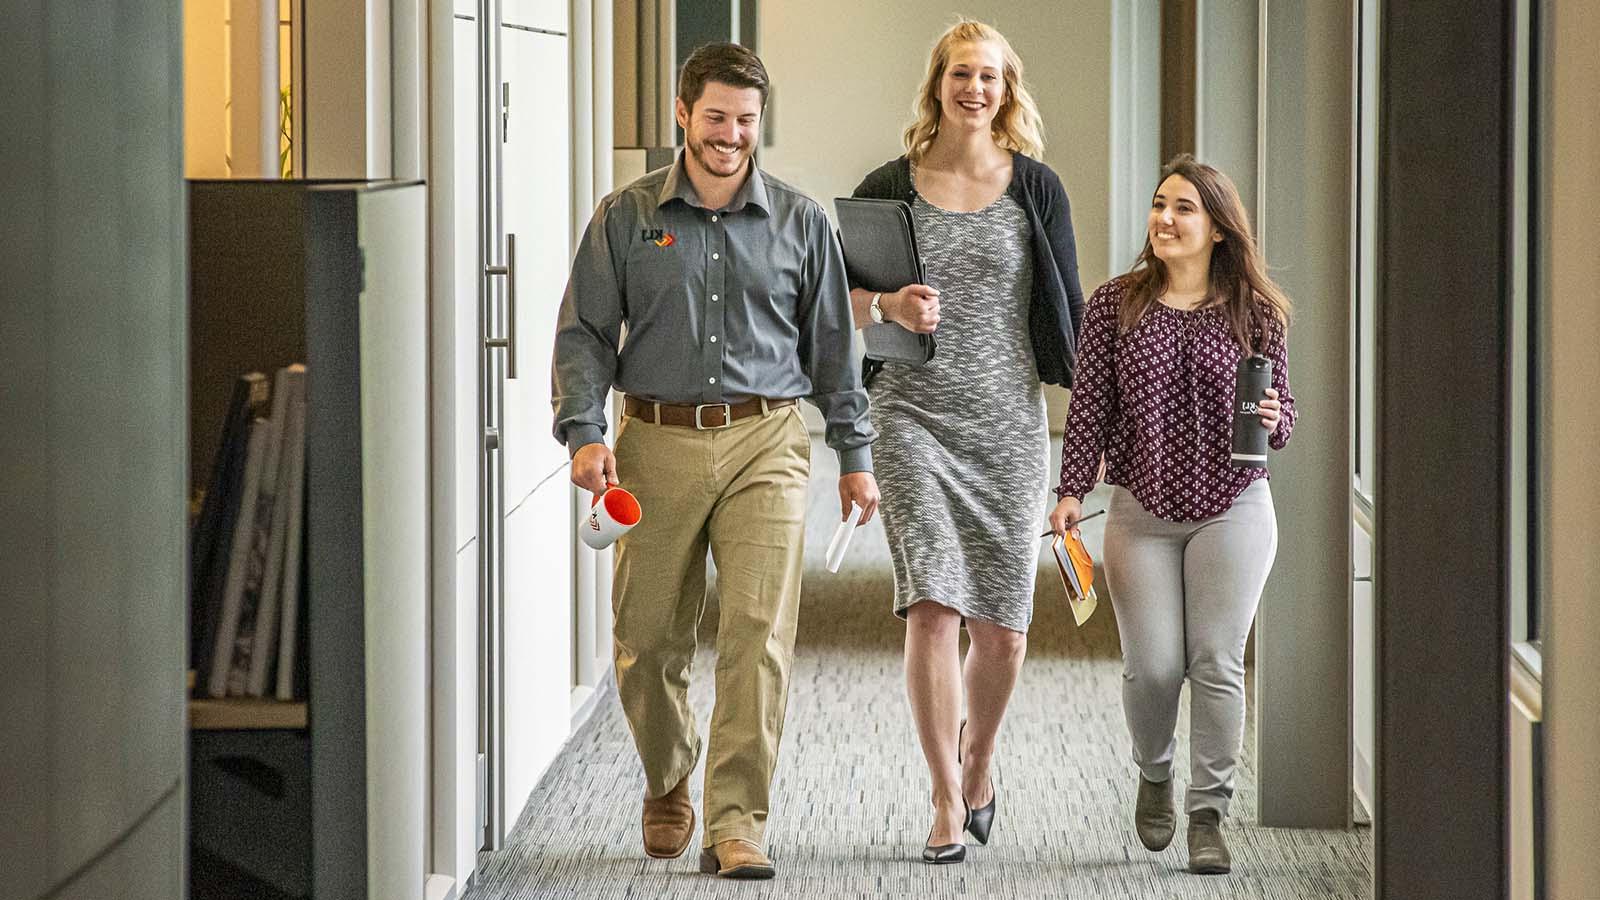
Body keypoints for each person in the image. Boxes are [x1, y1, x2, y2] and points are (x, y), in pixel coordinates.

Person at [551, 42, 881, 881]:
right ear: (682, 114)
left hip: (767, 440)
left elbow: (833, 349)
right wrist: (584, 431)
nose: (731, 136)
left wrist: (854, 453)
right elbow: (585, 335)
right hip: (653, 440)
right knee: (646, 634)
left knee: (757, 634)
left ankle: (738, 822)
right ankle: (669, 775)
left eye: (746, 121)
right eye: (716, 118)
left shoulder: (801, 224)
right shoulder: (625, 217)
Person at [848, 19, 1084, 864]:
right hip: (912, 416)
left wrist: (1092, 438)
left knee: (1005, 629)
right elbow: (836, 300)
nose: (973, 89)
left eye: (988, 76)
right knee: (934, 604)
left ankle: (979, 760)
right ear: (937, 84)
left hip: (1009, 425)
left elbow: (1072, 313)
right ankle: (946, 799)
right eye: (959, 74)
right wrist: (888, 309)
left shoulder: (1036, 188)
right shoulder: (890, 184)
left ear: (1006, 89)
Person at [1048, 154, 1296, 875]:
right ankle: (1154, 773)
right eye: (1160, 205)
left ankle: (1207, 812)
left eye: (1183, 208)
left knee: (1216, 659)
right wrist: (1070, 491)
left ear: (1218, 227)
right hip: (1142, 507)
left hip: (1235, 506)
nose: (1165, 218)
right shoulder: (1114, 304)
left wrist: (1277, 417)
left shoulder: (1259, 312)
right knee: (1154, 667)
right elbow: (1089, 406)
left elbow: (1282, 424)